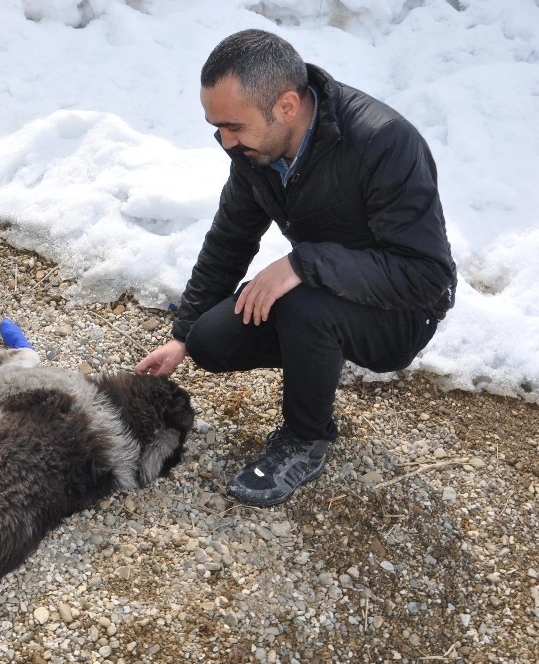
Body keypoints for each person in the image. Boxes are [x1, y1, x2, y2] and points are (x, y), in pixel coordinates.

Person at [135, 29, 457, 508]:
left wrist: (303, 264)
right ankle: (318, 351)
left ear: (286, 106)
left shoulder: (383, 142)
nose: (225, 140)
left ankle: (307, 437)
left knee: (306, 306)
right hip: (326, 288)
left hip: (403, 313)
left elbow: (427, 277)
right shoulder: (255, 150)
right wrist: (182, 335)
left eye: (234, 126)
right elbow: (230, 237)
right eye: (216, 127)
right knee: (210, 340)